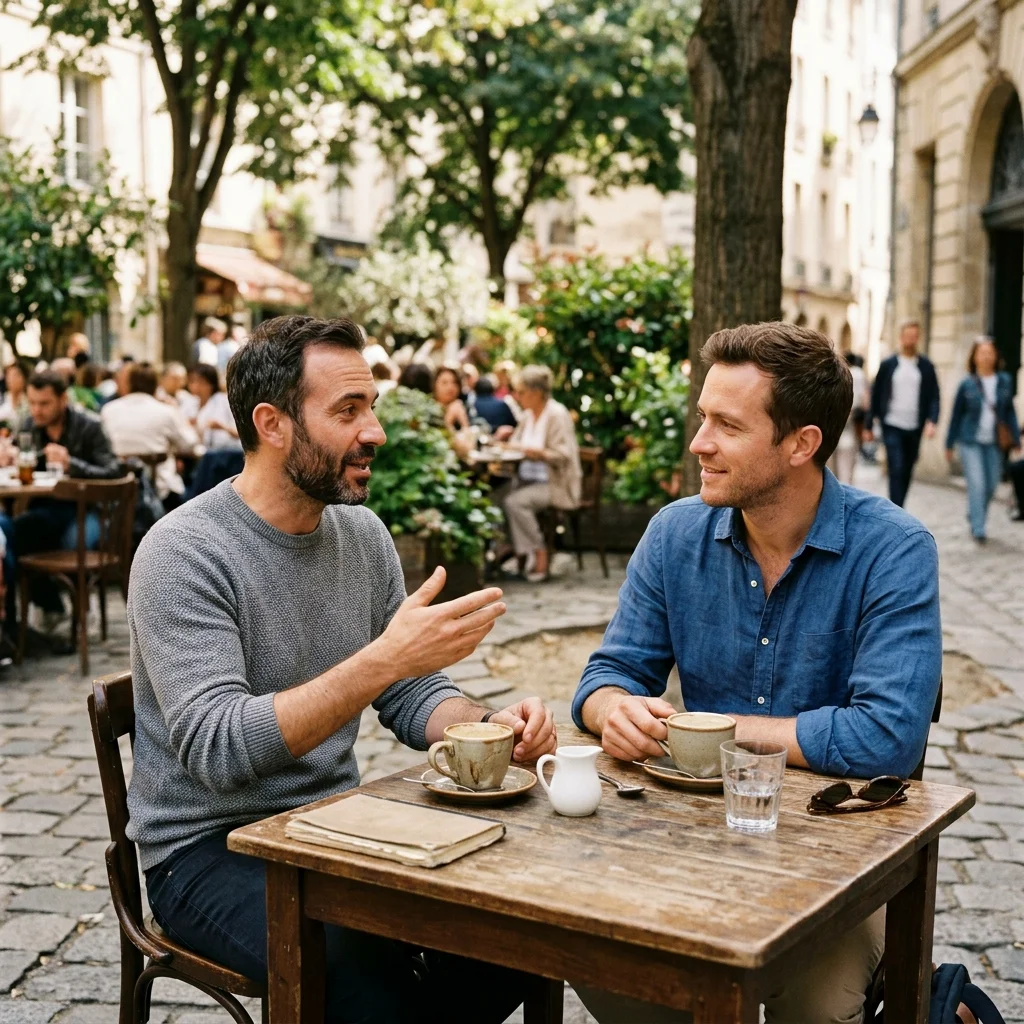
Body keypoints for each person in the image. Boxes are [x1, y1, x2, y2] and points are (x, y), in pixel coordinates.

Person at [126, 314, 556, 1022]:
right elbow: (218, 751)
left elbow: (411, 691)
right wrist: (381, 659)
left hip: (338, 826)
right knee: (354, 970)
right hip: (207, 848)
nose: (375, 433)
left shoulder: (361, 533)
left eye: (372, 409)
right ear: (273, 424)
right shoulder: (183, 553)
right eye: (347, 411)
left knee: (515, 928)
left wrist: (487, 724)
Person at [571, 322, 941, 1024]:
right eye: (702, 417)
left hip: (842, 859)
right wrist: (613, 707)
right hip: (689, 840)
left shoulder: (894, 550)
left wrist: (709, 730)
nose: (698, 443)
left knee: (816, 1007)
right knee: (598, 954)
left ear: (801, 444)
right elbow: (604, 677)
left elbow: (887, 738)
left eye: (726, 426)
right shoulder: (675, 534)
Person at [0, 371, 122, 629]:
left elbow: (113, 472)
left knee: (33, 537)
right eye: (32, 403)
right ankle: (37, 612)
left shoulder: (89, 425)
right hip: (45, 507)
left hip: (86, 508)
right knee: (14, 534)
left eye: (44, 404)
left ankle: (64, 612)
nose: (37, 410)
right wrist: (8, 458)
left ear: (63, 399)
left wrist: (71, 463)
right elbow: (19, 462)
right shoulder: (28, 426)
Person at [495, 365, 581, 582]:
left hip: (554, 483)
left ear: (536, 392)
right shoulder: (527, 416)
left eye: (521, 392)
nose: (517, 396)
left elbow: (564, 455)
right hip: (526, 479)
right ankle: (513, 552)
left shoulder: (556, 415)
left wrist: (540, 453)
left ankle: (539, 553)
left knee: (515, 502)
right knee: (494, 498)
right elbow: (516, 445)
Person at [945, 337, 1021, 542]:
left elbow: (1009, 412)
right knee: (977, 484)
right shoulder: (967, 384)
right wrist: (949, 443)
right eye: (982, 353)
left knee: (991, 485)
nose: (986, 357)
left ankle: (974, 510)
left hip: (994, 442)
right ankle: (979, 528)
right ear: (975, 357)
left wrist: (1016, 440)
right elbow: (956, 415)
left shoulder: (1004, 380)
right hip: (970, 441)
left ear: (996, 356)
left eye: (990, 352)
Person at [101, 363, 199, 509]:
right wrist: (177, 411)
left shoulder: (108, 410)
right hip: (161, 493)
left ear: (128, 384)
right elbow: (190, 444)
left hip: (117, 492)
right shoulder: (166, 411)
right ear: (156, 385)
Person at [864, 319, 940, 507]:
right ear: (901, 337)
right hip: (892, 424)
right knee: (896, 467)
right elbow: (877, 394)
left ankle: (899, 505)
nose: (911, 340)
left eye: (914, 336)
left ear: (918, 338)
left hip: (914, 426)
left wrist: (932, 421)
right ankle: (896, 508)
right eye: (908, 336)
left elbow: (934, 396)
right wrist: (868, 424)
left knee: (907, 469)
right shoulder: (889, 364)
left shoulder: (925, 366)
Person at [828, 351, 868, 485]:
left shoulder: (831, 372)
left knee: (830, 465)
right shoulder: (859, 374)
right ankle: (844, 488)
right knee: (847, 463)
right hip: (851, 418)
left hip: (829, 420)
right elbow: (865, 401)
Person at [188, 364, 240, 450]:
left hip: (228, 453)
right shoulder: (190, 403)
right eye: (192, 381)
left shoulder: (224, 401)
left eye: (200, 382)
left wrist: (223, 427)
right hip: (200, 452)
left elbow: (241, 433)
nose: (195, 386)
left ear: (211, 384)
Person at [433, 365, 470, 433]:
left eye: (454, 382)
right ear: (434, 386)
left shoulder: (462, 406)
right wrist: (449, 419)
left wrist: (463, 422)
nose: (450, 387)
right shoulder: (428, 410)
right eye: (444, 383)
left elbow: (469, 439)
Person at [0, 360, 31, 434]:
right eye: (8, 375)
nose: (11, 380)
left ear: (24, 378)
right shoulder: (2, 399)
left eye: (15, 375)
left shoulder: (30, 401)